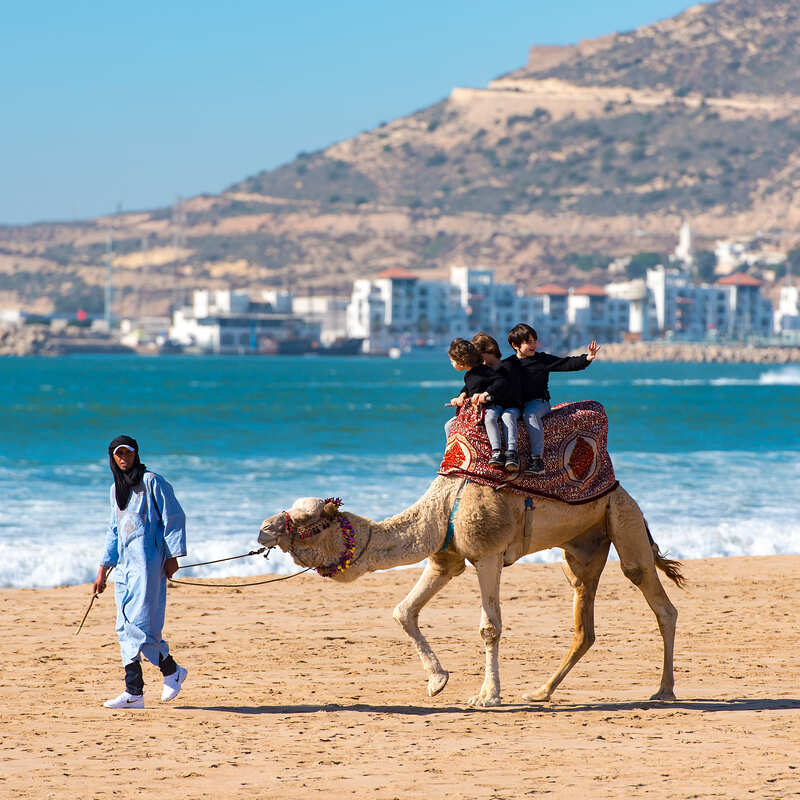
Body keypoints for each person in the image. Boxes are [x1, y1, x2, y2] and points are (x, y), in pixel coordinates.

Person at [92, 435, 188, 709]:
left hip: (148, 565)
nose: (124, 458)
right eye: (118, 454)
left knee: (142, 625)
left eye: (128, 453)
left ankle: (171, 671)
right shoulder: (115, 489)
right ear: (112, 457)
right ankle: (135, 691)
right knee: (124, 627)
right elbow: (114, 531)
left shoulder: (152, 482)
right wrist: (103, 571)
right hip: (124, 569)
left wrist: (173, 556)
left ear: (136, 455)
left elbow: (174, 517)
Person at [505, 324, 600, 475]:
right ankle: (510, 454)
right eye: (528, 342)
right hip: (517, 404)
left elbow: (566, 363)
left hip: (539, 403)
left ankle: (537, 460)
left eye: (534, 341)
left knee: (530, 415)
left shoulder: (542, 359)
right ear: (515, 345)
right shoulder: (508, 364)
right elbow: (493, 383)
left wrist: (587, 358)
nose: (533, 345)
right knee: (507, 415)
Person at [446, 338, 518, 470]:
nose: (451, 364)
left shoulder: (484, 371)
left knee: (489, 418)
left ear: (461, 361)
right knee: (449, 425)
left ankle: (497, 451)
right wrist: (461, 396)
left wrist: (485, 394)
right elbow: (469, 388)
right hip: (476, 409)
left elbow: (500, 382)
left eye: (452, 361)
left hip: (492, 405)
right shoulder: (468, 375)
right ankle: (454, 454)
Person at [470, 331, 522, 471]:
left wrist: (488, 395)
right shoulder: (484, 370)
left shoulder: (509, 367)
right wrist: (463, 395)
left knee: (507, 416)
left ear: (488, 351)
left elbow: (508, 389)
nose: (478, 361)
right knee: (489, 417)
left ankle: (511, 453)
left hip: (511, 405)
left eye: (479, 356)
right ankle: (496, 452)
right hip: (495, 405)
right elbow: (471, 384)